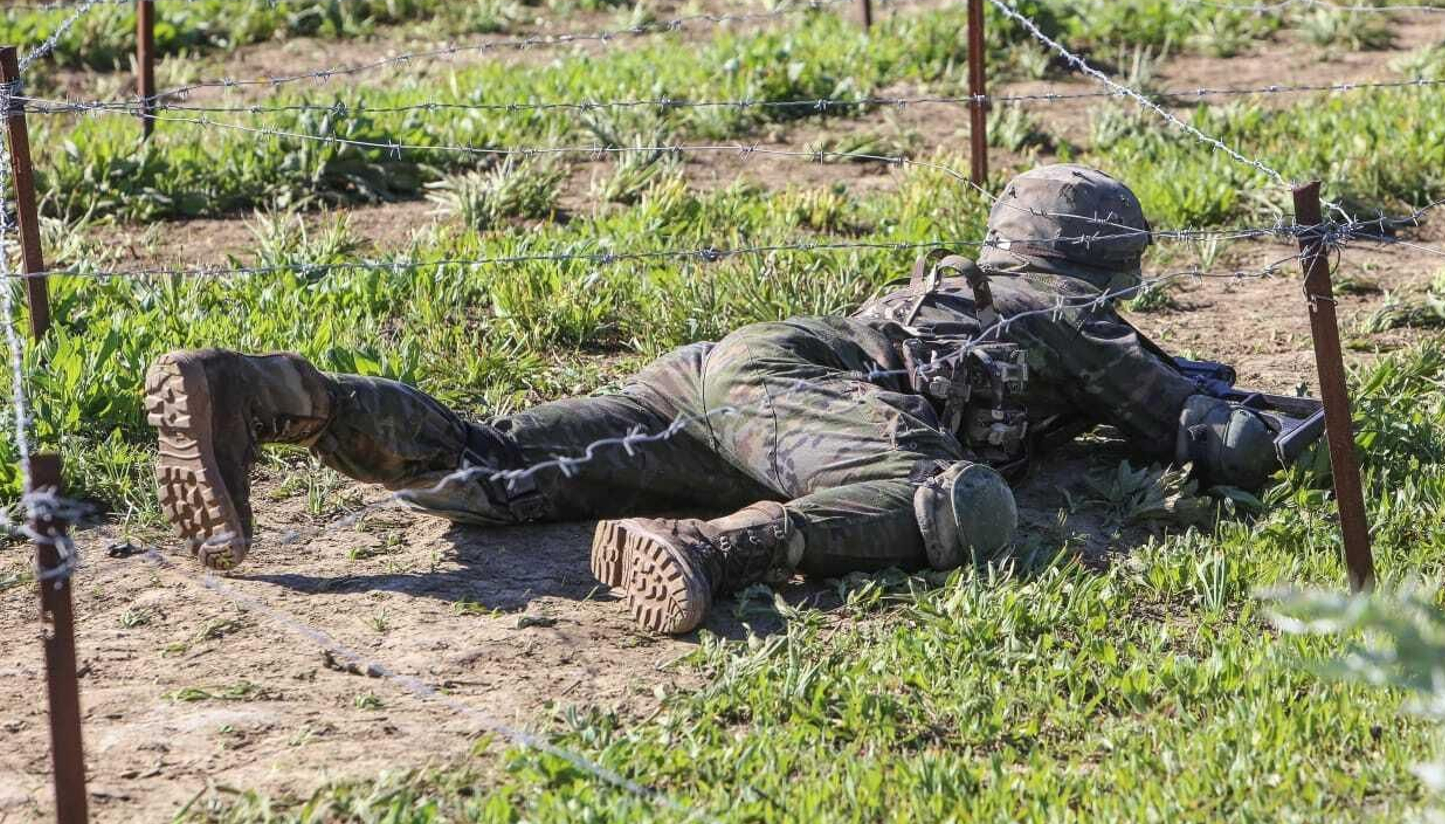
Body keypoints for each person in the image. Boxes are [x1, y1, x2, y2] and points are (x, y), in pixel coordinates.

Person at [145, 165, 1282, 634]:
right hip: (810, 393)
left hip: (734, 371)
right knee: (954, 498)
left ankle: (266, 392)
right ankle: (711, 553)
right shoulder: (1076, 317)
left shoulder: (958, 282)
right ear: (1110, 261)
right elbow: (1217, 443)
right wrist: (1241, 408)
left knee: (488, 469)